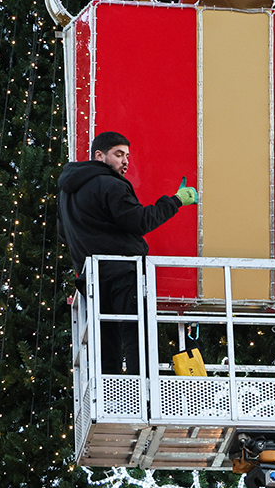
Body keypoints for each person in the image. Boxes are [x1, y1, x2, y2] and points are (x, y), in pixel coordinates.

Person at [58, 131, 197, 374]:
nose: (125, 162)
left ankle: (110, 394)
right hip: (123, 272)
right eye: (119, 154)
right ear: (99, 156)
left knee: (105, 340)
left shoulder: (67, 192)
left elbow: (62, 232)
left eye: (127, 156)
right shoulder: (110, 183)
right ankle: (142, 394)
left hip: (91, 277)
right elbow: (139, 221)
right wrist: (175, 201)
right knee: (136, 335)